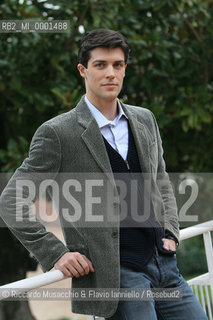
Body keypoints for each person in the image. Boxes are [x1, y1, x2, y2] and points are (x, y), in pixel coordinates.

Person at [0, 29, 207, 319]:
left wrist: (171, 231)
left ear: (124, 69)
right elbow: (11, 201)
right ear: (83, 70)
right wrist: (56, 253)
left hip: (165, 266)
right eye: (100, 65)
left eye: (118, 65)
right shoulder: (58, 133)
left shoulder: (144, 118)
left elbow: (161, 181)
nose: (110, 73)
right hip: (117, 276)